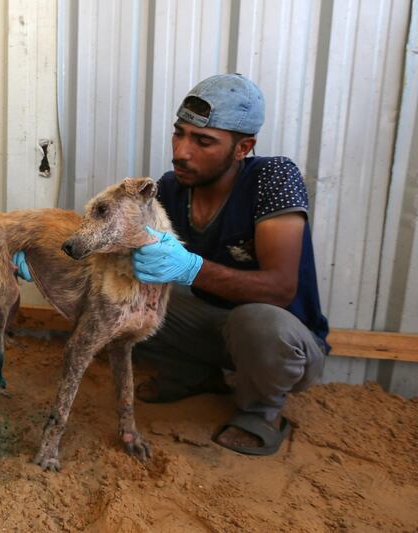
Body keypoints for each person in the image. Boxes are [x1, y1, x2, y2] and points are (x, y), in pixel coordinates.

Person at [129, 73, 329, 455]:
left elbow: (280, 289)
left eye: (203, 141)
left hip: (281, 342)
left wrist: (191, 268)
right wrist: (55, 255)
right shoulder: (171, 187)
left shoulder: (273, 178)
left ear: (242, 148)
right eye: (179, 133)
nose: (181, 151)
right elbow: (129, 251)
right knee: (125, 295)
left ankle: (263, 412)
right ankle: (195, 376)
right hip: (211, 326)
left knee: (256, 320)